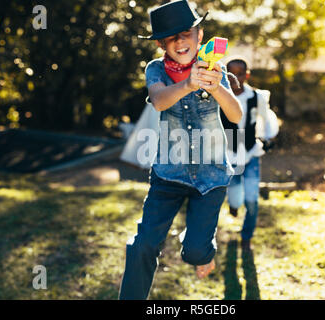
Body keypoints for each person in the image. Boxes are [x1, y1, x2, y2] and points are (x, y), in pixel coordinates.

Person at [119, 0, 243, 300]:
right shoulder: (156, 69)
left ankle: (202, 251)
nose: (179, 41)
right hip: (168, 175)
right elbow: (160, 101)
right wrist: (188, 84)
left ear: (199, 37)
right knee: (143, 244)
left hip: (211, 177)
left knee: (195, 252)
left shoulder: (216, 68)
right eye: (171, 37)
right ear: (162, 43)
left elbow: (236, 116)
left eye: (186, 33)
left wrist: (216, 88)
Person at [220, 56, 279, 251]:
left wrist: (269, 137)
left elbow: (267, 117)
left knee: (252, 199)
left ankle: (247, 236)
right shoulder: (219, 95)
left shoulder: (256, 97)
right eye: (231, 74)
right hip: (230, 154)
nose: (235, 78)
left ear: (246, 75)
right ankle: (234, 204)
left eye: (240, 73)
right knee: (235, 193)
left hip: (251, 151)